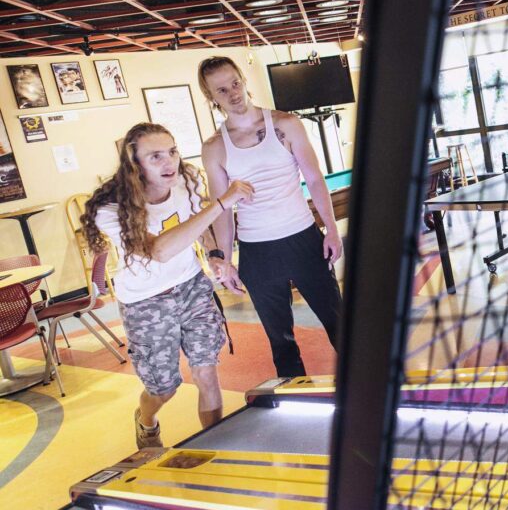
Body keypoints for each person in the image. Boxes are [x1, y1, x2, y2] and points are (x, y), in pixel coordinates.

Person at [82, 122, 254, 449]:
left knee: (207, 372)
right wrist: (221, 204)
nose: (169, 162)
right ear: (136, 166)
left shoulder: (186, 181)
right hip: (145, 302)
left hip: (191, 287)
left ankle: (216, 449)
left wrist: (215, 254)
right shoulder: (113, 210)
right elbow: (158, 251)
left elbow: (198, 226)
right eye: (156, 156)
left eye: (172, 151)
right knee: (164, 389)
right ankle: (146, 420)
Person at [197, 56, 343, 377]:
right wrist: (225, 258)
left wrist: (331, 228)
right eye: (222, 90)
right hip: (257, 251)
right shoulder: (214, 148)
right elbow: (222, 209)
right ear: (211, 98)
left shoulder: (286, 124)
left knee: (339, 323)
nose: (233, 93)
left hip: (303, 238)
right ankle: (296, 401)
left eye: (235, 83)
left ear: (244, 80)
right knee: (281, 340)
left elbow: (315, 179)